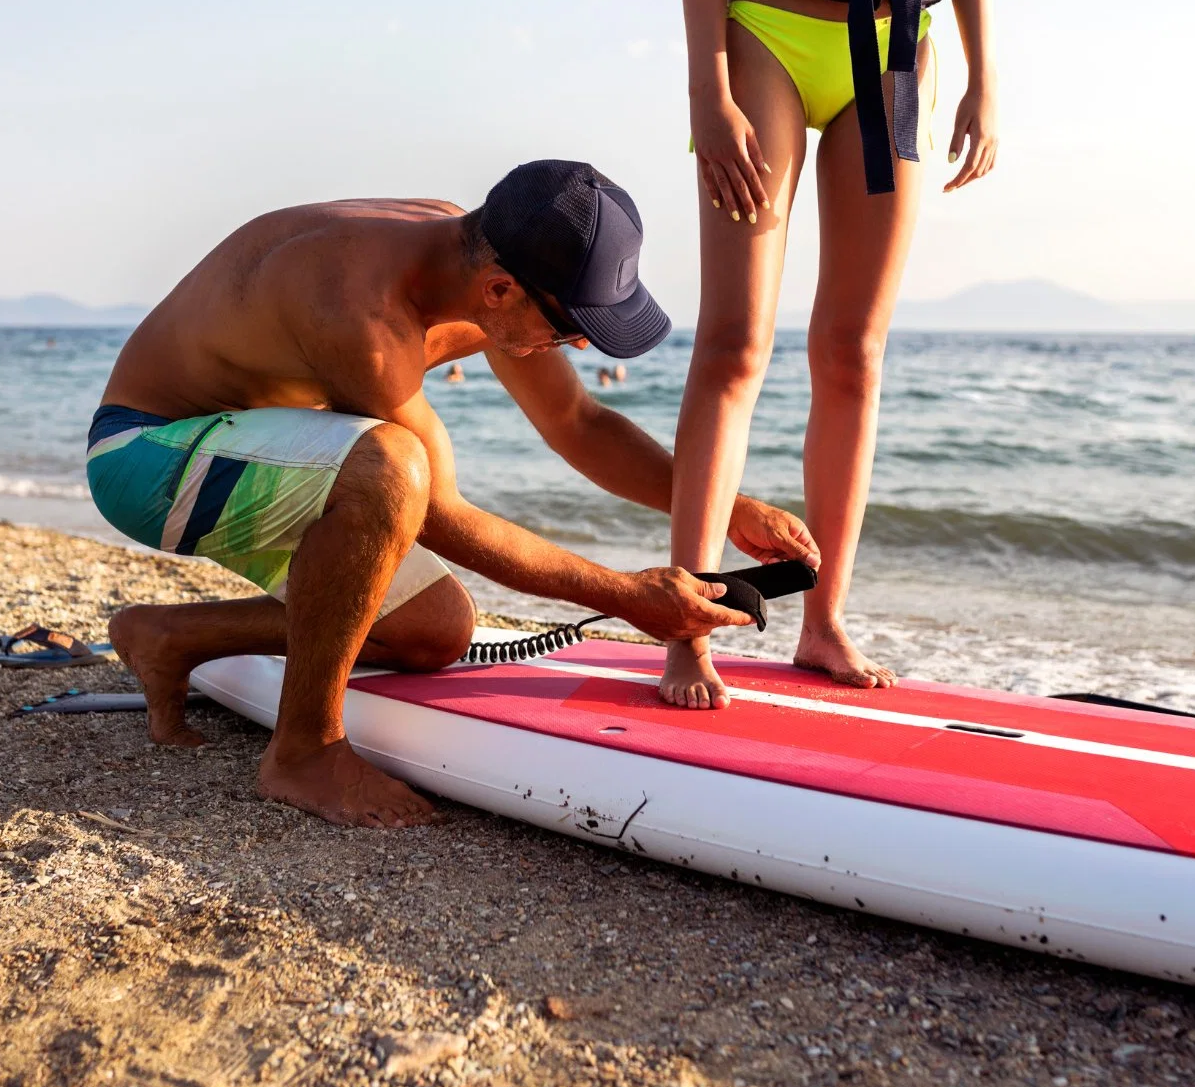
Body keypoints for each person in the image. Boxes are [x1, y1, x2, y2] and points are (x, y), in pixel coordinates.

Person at [88, 160, 817, 828]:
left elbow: (578, 422)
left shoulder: (473, 250)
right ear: (499, 291)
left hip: (250, 443)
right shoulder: (362, 314)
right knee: (392, 467)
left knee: (435, 629)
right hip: (146, 457)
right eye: (570, 328)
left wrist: (732, 508)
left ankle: (168, 637)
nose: (582, 348)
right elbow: (435, 510)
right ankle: (304, 750)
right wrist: (627, 594)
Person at [663, 0, 997, 709]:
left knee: (853, 355)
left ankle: (824, 622)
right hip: (761, 35)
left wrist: (986, 79)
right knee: (734, 344)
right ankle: (687, 627)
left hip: (893, 51)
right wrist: (706, 94)